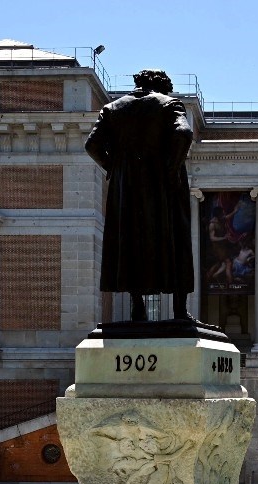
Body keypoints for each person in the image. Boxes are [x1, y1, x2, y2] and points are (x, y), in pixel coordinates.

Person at [84, 69, 196, 322]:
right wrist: (171, 167)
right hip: (163, 186)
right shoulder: (169, 104)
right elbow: (184, 133)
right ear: (162, 87)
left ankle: (138, 307)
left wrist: (114, 168)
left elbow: (92, 145)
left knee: (130, 242)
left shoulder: (112, 109)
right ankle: (180, 311)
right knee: (177, 240)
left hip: (126, 189)